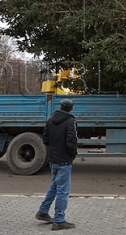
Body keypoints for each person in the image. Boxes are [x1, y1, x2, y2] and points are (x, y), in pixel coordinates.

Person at [36, 98, 78, 230]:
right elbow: (72, 141)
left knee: (54, 185)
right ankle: (59, 220)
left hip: (53, 159)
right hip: (64, 160)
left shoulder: (50, 120)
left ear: (60, 107)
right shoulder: (70, 121)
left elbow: (46, 139)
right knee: (63, 190)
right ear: (71, 108)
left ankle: (43, 211)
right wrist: (73, 154)